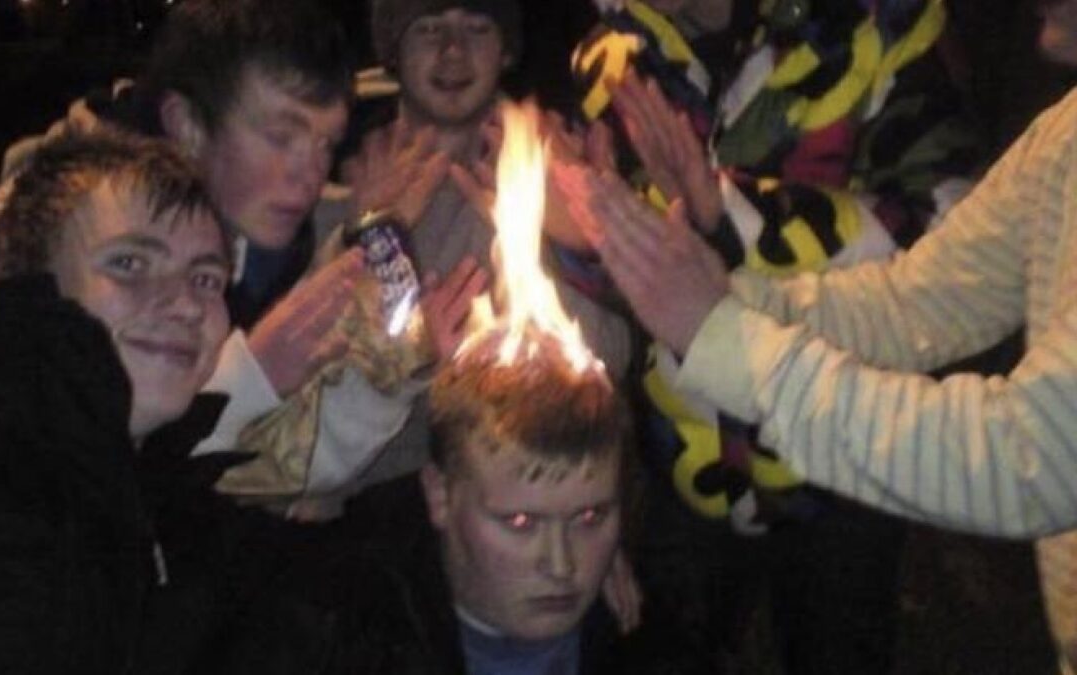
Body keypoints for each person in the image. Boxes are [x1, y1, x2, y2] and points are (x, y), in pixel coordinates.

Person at [555, 1, 1077, 671]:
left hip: (845, 481)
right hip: (690, 457)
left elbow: (1030, 456)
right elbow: (918, 298)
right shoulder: (1066, 134)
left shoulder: (880, 27)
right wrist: (697, 293)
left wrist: (732, 246)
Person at [0, 0, 401, 474]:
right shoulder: (32, 224)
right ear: (188, 126)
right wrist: (250, 378)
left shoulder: (264, 240)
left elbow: (262, 474)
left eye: (326, 144)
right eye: (280, 137)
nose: (309, 172)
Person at [0, 131, 263, 674]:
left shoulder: (158, 508)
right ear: (28, 282)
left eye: (206, 279)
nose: (186, 305)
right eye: (129, 264)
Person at [234, 0, 633, 515]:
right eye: (428, 28)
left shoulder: (553, 166)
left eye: (477, 27)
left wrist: (573, 245)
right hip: (365, 512)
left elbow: (607, 367)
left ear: (506, 49)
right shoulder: (323, 182)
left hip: (522, 499)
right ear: (393, 50)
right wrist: (366, 240)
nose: (453, 51)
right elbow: (281, 409)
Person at [221, 327, 703, 674]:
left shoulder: (667, 638)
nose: (561, 565)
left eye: (589, 517)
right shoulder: (327, 632)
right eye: (521, 522)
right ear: (439, 495)